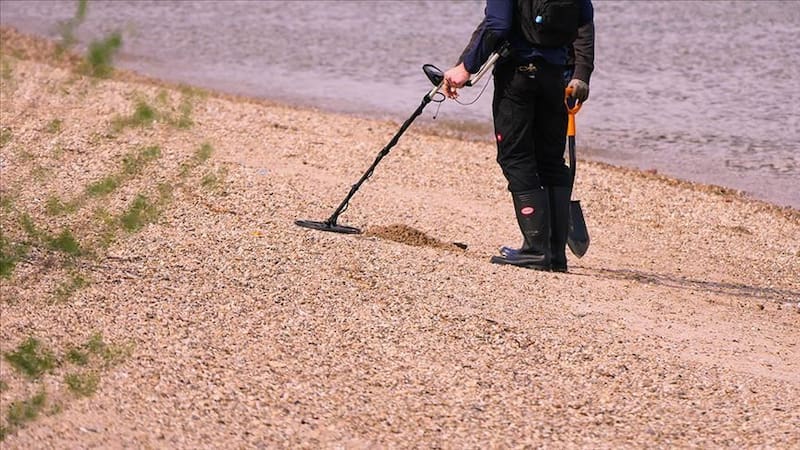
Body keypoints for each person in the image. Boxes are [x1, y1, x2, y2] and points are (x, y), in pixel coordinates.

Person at [443, 0, 594, 272]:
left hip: (518, 77)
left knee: (516, 158)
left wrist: (465, 68)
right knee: (551, 161)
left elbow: (497, 25)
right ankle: (555, 255)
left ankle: (536, 251)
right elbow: (584, 21)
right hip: (558, 77)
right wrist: (581, 74)